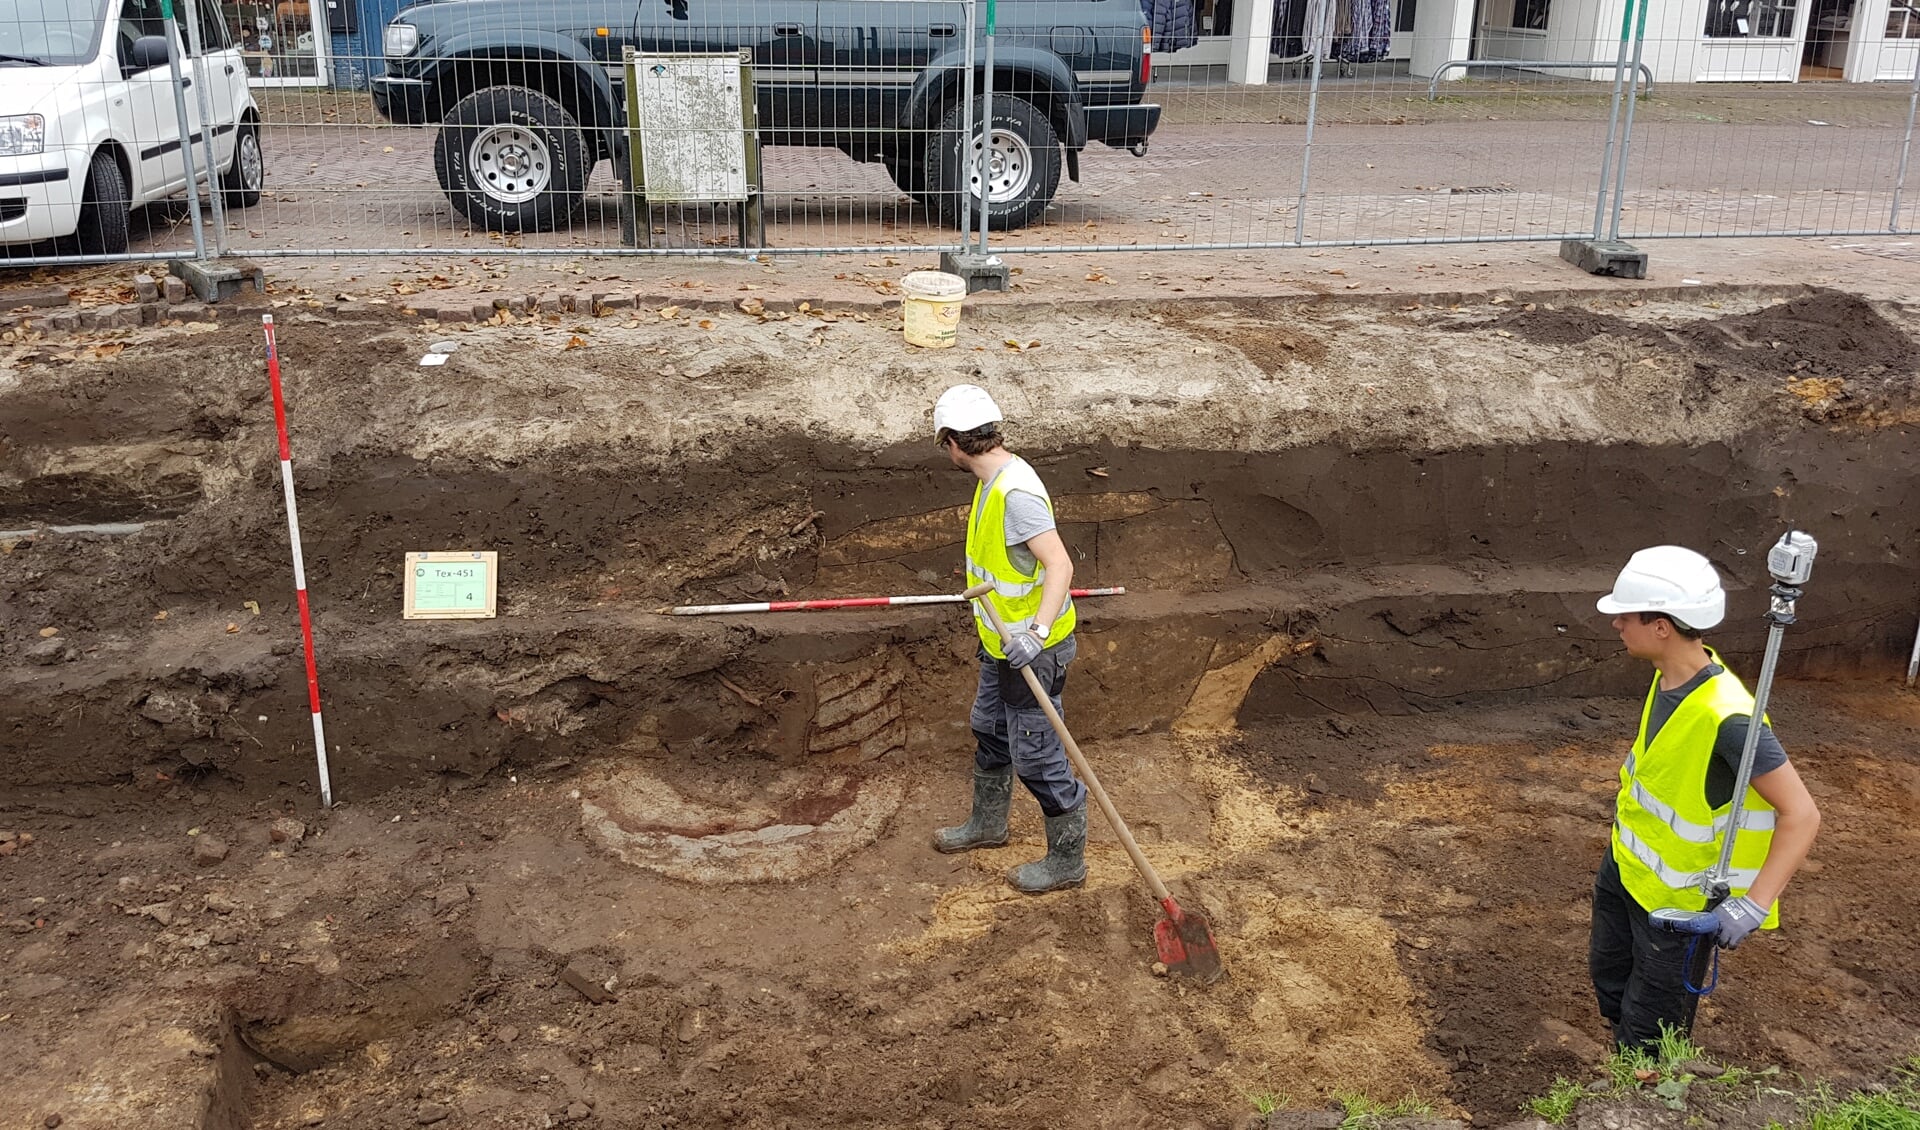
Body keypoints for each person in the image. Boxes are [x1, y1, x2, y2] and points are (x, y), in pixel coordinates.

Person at [1590, 545, 1822, 1049]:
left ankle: (1645, 1093)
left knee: (1652, 1030)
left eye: (1624, 615)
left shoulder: (1729, 718)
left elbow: (1801, 813)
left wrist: (1754, 906)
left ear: (1661, 626)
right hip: (1627, 874)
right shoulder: (1669, 679)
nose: (1616, 625)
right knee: (1611, 985)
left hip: (1675, 911)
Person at [928, 384, 1089, 893]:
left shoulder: (1015, 495)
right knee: (990, 728)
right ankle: (988, 825)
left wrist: (1037, 634)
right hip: (1002, 644)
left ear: (953, 442)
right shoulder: (991, 479)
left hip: (1034, 652)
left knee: (1039, 756)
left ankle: (1067, 862)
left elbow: (1060, 564)